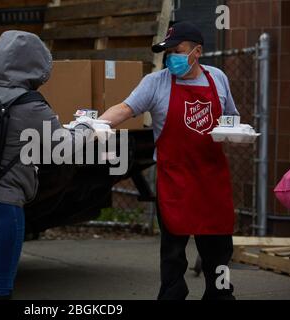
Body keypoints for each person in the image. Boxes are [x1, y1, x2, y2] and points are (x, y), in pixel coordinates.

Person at [0, 30, 95, 300]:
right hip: (0, 207)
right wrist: (87, 128)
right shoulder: (31, 105)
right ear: (36, 64)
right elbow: (61, 148)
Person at [99, 21, 238, 300]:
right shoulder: (155, 82)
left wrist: (234, 133)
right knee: (173, 253)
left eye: (178, 50)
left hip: (211, 179)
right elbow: (125, 108)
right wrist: (96, 124)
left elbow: (231, 119)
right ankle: (172, 295)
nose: (171, 57)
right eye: (168, 51)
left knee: (218, 250)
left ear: (197, 51)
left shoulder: (218, 78)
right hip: (175, 180)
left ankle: (220, 296)